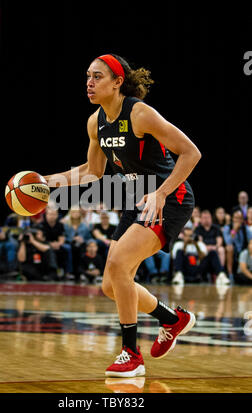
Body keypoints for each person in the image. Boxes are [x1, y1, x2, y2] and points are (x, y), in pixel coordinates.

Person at [43, 53, 201, 377]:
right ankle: (172, 319)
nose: (89, 82)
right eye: (87, 75)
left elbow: (191, 153)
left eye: (97, 76)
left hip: (169, 198)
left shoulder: (140, 114)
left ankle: (131, 353)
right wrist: (46, 182)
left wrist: (161, 193)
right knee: (110, 284)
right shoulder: (95, 122)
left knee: (118, 265)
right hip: (136, 198)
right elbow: (92, 171)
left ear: (118, 82)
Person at [42, 206, 73, 276]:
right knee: (48, 249)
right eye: (50, 214)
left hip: (57, 244)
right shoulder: (42, 225)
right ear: (46, 215)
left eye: (53, 214)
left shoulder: (60, 225)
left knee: (67, 248)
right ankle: (52, 271)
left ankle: (68, 272)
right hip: (46, 244)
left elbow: (62, 238)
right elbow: (41, 239)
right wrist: (50, 244)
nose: (52, 216)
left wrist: (59, 244)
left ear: (57, 215)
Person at [63, 205, 92, 278]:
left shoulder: (84, 225)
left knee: (83, 248)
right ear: (70, 213)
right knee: (70, 248)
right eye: (73, 212)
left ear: (80, 213)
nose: (75, 214)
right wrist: (72, 239)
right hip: (69, 243)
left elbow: (89, 238)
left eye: (77, 212)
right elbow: (63, 236)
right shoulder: (66, 225)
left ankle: (81, 272)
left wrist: (83, 240)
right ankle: (70, 272)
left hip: (81, 244)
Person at [194, 210, 226, 274]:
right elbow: (199, 242)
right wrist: (206, 247)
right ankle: (199, 272)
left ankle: (221, 271)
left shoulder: (216, 228)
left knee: (221, 249)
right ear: (201, 219)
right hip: (204, 249)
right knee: (198, 249)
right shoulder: (198, 229)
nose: (206, 219)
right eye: (204, 218)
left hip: (215, 248)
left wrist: (215, 247)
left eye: (208, 217)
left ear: (211, 218)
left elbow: (219, 241)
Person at [223, 209, 250, 281]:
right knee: (229, 248)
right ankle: (230, 274)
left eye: (240, 218)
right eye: (236, 218)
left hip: (244, 252)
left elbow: (251, 241)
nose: (238, 220)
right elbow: (228, 242)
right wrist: (234, 230)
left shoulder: (245, 228)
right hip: (232, 252)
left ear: (242, 220)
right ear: (232, 219)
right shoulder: (227, 228)